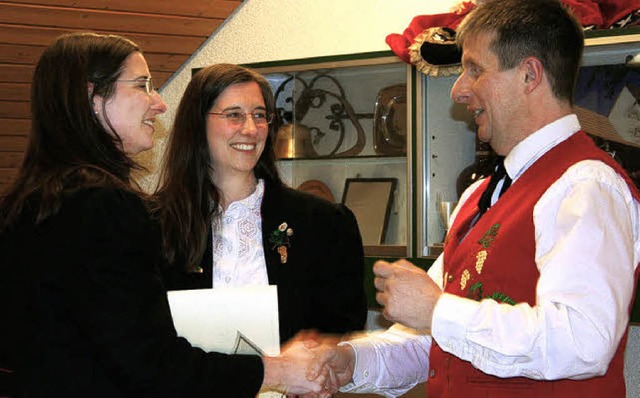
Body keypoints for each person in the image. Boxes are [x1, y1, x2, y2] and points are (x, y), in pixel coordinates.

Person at [306, 0, 640, 397]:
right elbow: (435, 340)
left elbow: (582, 342)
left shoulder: (587, 185)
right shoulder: (479, 195)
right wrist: (355, 361)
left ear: (529, 75)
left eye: (475, 70)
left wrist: (438, 311)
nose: (459, 90)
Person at [0, 32, 328, 397]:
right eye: (142, 85)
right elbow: (151, 366)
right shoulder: (104, 207)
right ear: (93, 97)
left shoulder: (24, 202)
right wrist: (276, 371)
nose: (158, 103)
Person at [152, 63, 367, 344]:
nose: (251, 129)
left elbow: (344, 337)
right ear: (197, 123)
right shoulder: (153, 223)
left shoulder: (324, 222)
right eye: (234, 115)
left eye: (259, 115)